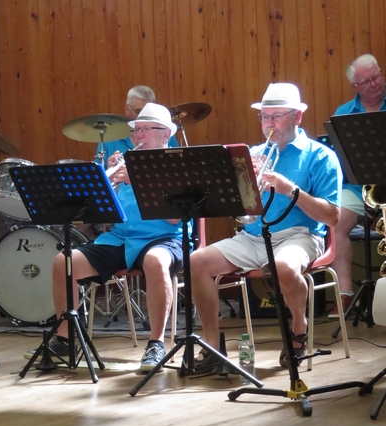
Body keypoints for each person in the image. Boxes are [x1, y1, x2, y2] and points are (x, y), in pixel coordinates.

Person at [190, 83, 342, 369]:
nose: (268, 124)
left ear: (297, 117)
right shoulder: (254, 153)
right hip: (252, 235)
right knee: (196, 261)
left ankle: (298, 326)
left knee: (284, 267)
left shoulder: (320, 156)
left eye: (276, 116)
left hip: (300, 235)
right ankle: (212, 346)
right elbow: (235, 206)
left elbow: (332, 217)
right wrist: (242, 183)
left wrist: (290, 190)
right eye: (264, 117)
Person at [25, 102, 186, 372]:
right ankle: (66, 340)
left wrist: (141, 180)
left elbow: (173, 218)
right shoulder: (127, 162)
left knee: (156, 262)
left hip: (164, 237)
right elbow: (105, 213)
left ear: (165, 134)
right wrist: (106, 183)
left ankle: (156, 344)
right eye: (138, 130)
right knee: (63, 262)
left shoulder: (177, 164)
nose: (140, 136)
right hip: (122, 237)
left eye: (147, 130)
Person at [328, 53, 386, 318]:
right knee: (336, 222)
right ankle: (345, 293)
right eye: (367, 81)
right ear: (356, 87)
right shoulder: (343, 114)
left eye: (378, 77)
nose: (375, 84)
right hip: (357, 188)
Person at [96, 85, 179, 168]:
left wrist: (133, 176)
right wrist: (109, 177)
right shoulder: (109, 138)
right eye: (137, 129)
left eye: (146, 128)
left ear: (166, 135)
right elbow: (98, 179)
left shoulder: (173, 152)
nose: (138, 135)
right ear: (127, 109)